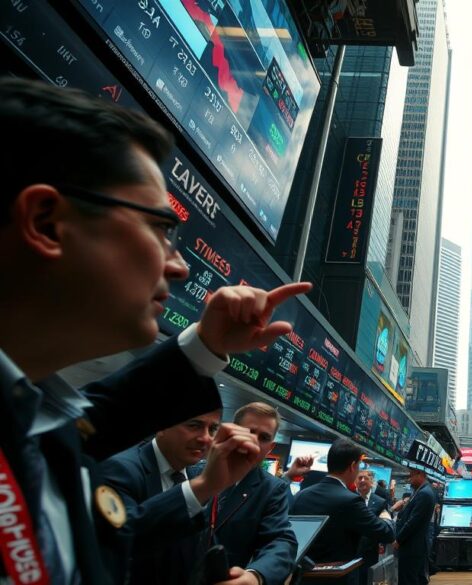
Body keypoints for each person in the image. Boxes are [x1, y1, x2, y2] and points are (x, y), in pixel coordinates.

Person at [0, 78, 311, 584]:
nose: (180, 266)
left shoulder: (37, 420)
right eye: (161, 229)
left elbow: (103, 416)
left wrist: (206, 345)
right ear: (46, 222)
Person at [101, 409, 251, 584]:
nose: (206, 438)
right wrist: (201, 487)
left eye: (212, 429)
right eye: (194, 425)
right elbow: (121, 541)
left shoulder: (197, 475)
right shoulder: (121, 469)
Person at [209, 403, 298, 585]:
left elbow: (280, 541)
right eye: (248, 432)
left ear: (270, 447)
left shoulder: (271, 489)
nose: (254, 441)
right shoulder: (194, 472)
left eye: (264, 437)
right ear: (230, 432)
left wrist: (256, 575)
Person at [291, 440, 395, 585]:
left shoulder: (300, 496)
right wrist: (386, 517)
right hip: (337, 579)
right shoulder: (351, 501)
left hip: (302, 578)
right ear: (352, 466)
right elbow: (387, 533)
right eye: (358, 466)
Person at [394, 462, 437, 585]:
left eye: (411, 476)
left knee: (408, 579)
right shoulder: (422, 490)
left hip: (412, 546)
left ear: (420, 474)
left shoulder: (424, 493)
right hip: (414, 545)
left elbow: (413, 521)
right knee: (413, 578)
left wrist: (399, 539)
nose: (409, 479)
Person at [355, 469, 388, 585]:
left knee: (367, 580)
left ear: (372, 482)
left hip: (370, 550)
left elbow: (384, 526)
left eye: (366, 478)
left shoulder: (380, 502)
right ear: (355, 481)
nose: (362, 480)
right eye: (360, 478)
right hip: (351, 550)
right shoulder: (348, 498)